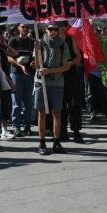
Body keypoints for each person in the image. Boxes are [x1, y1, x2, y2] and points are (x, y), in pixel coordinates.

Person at [34, 22, 71, 155]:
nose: (53, 31)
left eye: (55, 29)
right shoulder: (40, 43)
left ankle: (56, 142)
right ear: (46, 30)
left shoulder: (63, 45)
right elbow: (37, 65)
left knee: (56, 113)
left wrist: (50, 71)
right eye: (51, 29)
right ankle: (41, 142)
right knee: (41, 113)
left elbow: (66, 67)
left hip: (57, 83)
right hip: (41, 81)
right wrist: (37, 50)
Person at [7, 23, 35, 137]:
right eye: (23, 27)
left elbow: (35, 56)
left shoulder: (32, 42)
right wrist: (19, 64)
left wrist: (34, 62)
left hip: (29, 74)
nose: (25, 29)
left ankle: (27, 126)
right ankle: (16, 127)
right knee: (16, 102)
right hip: (16, 73)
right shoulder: (13, 41)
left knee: (28, 102)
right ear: (18, 28)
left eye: (27, 27)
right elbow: (8, 57)